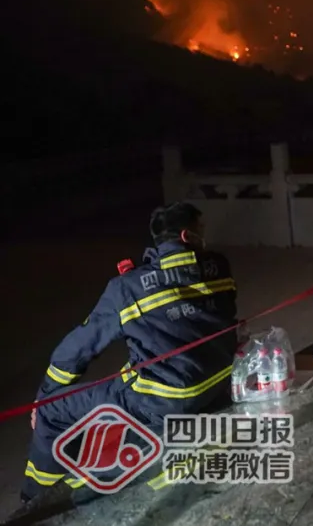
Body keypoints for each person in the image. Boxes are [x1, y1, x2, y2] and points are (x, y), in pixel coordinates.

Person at [23, 203, 238, 503]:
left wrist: (47, 393)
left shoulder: (128, 287)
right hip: (215, 387)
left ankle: (33, 501)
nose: (205, 237)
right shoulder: (221, 268)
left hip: (159, 402)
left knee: (50, 409)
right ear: (188, 236)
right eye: (202, 231)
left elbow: (77, 349)